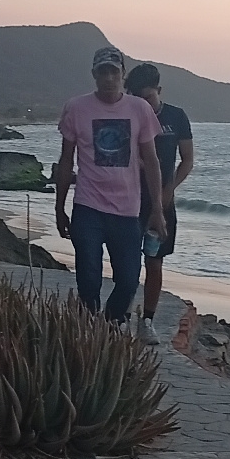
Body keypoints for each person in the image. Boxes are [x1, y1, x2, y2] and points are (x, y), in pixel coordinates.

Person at [55, 45, 167, 322]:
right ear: (94, 74)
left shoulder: (139, 109)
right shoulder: (76, 108)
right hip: (88, 207)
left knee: (128, 280)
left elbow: (151, 161)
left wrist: (157, 209)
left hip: (127, 211)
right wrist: (59, 208)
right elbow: (66, 161)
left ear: (122, 74)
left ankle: (109, 325)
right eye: (102, 72)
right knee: (88, 279)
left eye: (114, 72)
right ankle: (88, 330)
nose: (108, 78)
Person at [124, 62, 194, 343]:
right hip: (128, 202)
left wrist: (166, 193)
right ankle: (122, 316)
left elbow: (187, 161)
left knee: (154, 262)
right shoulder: (127, 116)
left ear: (159, 90)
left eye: (149, 98)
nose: (146, 106)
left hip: (163, 206)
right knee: (127, 264)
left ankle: (147, 321)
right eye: (139, 100)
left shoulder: (176, 117)